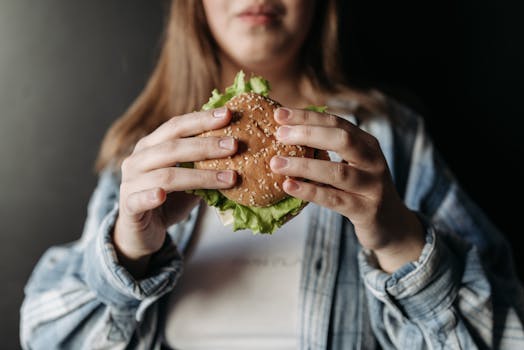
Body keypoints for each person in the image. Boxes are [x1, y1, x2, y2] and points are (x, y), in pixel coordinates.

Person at [20, 0, 524, 349]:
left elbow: (504, 332)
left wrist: (398, 241)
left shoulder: (392, 140)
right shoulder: (147, 154)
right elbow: (43, 334)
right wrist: (128, 253)